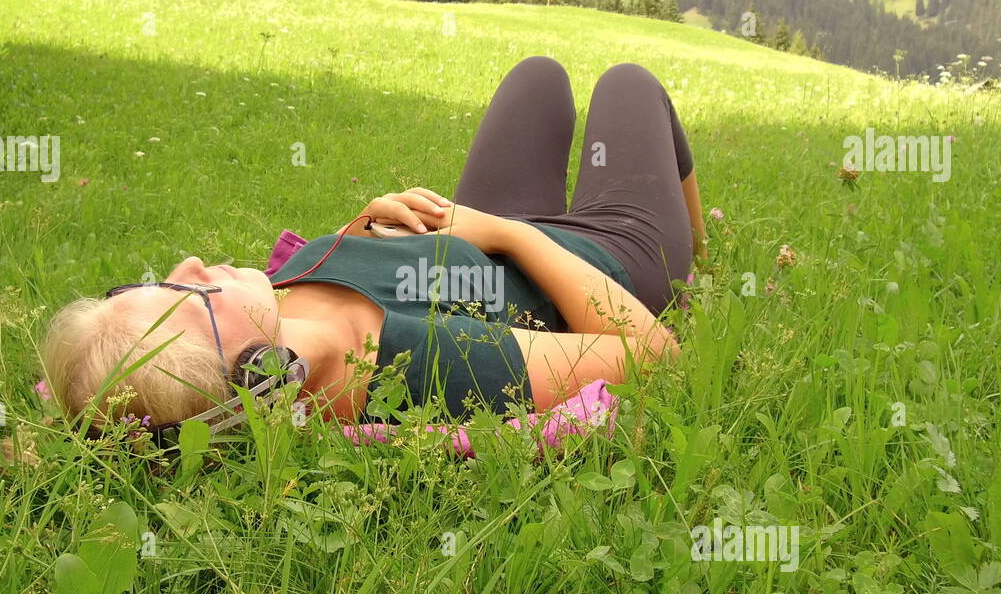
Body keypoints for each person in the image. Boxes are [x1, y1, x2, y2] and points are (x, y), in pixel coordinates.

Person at [41, 56, 706, 435]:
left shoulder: (277, 305)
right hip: (599, 254)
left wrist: (364, 231)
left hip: (480, 228)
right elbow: (654, 356)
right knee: (629, 83)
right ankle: (697, 244)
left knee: (538, 77)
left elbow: (372, 280)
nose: (188, 265)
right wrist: (508, 235)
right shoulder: (409, 368)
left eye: (152, 280)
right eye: (191, 297)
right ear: (257, 375)